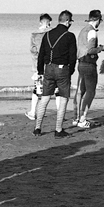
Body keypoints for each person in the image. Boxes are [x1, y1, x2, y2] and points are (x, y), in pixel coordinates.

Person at [33, 10, 77, 138]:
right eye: (71, 21)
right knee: (63, 99)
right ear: (68, 21)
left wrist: (40, 70)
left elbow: (41, 54)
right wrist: (71, 71)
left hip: (48, 68)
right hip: (62, 69)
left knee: (45, 98)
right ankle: (58, 130)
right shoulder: (70, 36)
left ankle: (37, 128)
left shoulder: (47, 35)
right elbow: (72, 57)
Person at [72, 10, 104, 128]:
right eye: (100, 20)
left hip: (80, 62)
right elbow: (91, 50)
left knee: (80, 91)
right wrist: (100, 48)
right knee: (90, 91)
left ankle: (76, 117)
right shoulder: (92, 31)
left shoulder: (82, 30)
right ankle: (82, 118)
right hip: (89, 63)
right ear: (98, 19)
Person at [26, 13, 52, 120]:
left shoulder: (34, 34)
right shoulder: (52, 33)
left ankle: (33, 112)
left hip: (38, 65)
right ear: (49, 22)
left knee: (37, 89)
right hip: (50, 64)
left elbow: (33, 51)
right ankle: (59, 111)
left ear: (40, 22)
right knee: (54, 89)